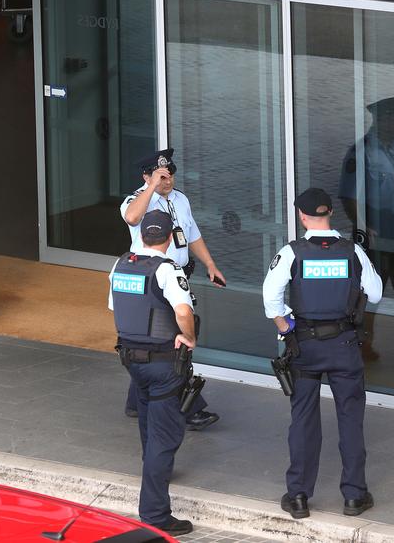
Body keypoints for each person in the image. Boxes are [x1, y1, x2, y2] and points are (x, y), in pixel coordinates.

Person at [262, 187, 383, 520]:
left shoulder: (292, 252)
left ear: (302, 216)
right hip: (345, 345)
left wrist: (286, 327)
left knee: (303, 419)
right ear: (330, 213)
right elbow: (375, 294)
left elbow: (270, 297)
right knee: (351, 420)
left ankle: (298, 496)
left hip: (305, 346)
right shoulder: (352, 251)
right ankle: (355, 497)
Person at [120, 147, 224, 431]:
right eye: (162, 177)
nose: (168, 182)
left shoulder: (180, 200)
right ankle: (190, 408)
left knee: (156, 341)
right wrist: (152, 187)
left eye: (170, 176)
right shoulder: (137, 200)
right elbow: (131, 218)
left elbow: (192, 234)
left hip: (177, 277)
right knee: (172, 343)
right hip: (152, 281)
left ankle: (135, 401)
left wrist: (210, 264)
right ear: (147, 176)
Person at [109, 210, 197, 535]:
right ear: (169, 238)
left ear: (143, 235)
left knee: (147, 422)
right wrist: (189, 337)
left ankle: (152, 471)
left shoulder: (120, 264)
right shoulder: (167, 270)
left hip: (132, 359)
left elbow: (115, 307)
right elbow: (183, 310)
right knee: (166, 434)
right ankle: (155, 514)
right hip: (163, 362)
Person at [338, 94, 394, 359]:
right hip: (374, 228)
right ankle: (363, 348)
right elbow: (348, 196)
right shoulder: (361, 152)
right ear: (383, 119)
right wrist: (363, 227)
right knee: (369, 294)